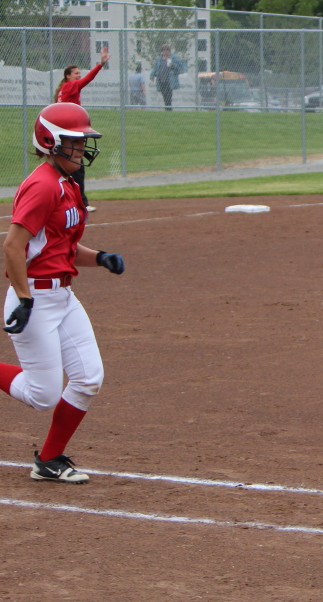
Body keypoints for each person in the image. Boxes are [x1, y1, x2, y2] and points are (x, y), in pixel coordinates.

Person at [0, 103, 125, 483]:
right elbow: (13, 246)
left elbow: (60, 249)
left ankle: (49, 460)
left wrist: (100, 257)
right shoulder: (42, 185)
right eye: (74, 141)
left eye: (83, 141)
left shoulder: (66, 183)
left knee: (88, 378)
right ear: (50, 140)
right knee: (42, 396)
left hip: (63, 297)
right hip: (34, 299)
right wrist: (24, 298)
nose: (81, 148)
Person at [53, 45, 109, 212]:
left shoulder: (63, 89)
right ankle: (81, 203)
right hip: (70, 133)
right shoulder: (70, 86)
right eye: (76, 73)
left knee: (65, 168)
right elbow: (87, 79)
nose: (79, 76)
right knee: (77, 168)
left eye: (79, 73)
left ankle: (66, 200)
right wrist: (100, 64)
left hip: (65, 132)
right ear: (68, 76)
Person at [150, 44, 187, 111]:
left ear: (169, 51)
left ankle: (168, 109)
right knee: (164, 95)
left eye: (167, 50)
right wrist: (152, 75)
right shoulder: (159, 59)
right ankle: (167, 108)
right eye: (164, 50)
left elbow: (180, 68)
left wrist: (172, 65)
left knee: (168, 96)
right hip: (161, 80)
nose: (165, 52)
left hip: (169, 81)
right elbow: (155, 68)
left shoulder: (174, 58)